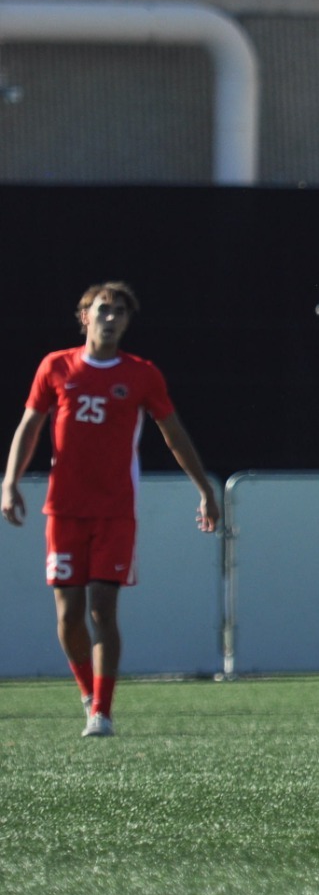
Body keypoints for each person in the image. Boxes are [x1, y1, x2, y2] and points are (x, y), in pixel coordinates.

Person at [2, 282, 220, 738]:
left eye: (120, 311)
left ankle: (102, 710)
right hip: (63, 510)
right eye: (103, 309)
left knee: (103, 607)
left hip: (114, 511)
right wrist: (10, 482)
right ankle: (87, 693)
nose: (111, 317)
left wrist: (204, 488)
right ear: (84, 316)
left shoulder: (141, 374)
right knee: (67, 616)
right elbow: (29, 426)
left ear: (126, 321)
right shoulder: (56, 366)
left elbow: (173, 434)